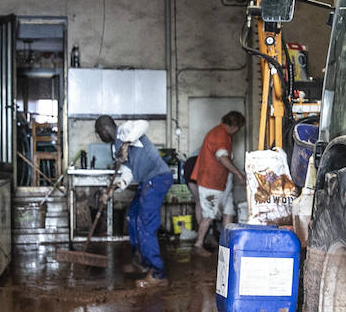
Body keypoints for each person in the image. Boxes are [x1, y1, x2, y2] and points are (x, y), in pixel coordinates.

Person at [95, 115, 173, 288]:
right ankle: (141, 261)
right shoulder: (116, 147)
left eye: (99, 133)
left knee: (145, 223)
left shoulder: (125, 130)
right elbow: (127, 174)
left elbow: (144, 124)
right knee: (132, 216)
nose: (100, 137)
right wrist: (111, 190)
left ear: (104, 129)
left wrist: (126, 143)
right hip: (146, 181)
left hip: (158, 177)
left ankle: (158, 273)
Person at [190, 111, 246, 253]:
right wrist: (238, 174)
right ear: (234, 126)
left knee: (229, 212)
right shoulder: (219, 134)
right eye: (238, 128)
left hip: (221, 182)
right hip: (211, 182)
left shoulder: (224, 135)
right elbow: (222, 158)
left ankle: (225, 244)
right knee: (209, 215)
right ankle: (198, 244)